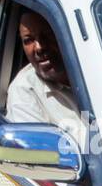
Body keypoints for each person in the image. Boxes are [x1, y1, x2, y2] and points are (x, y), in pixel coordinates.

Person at [5, 10, 86, 149]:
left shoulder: (96, 70)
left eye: (48, 35)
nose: (39, 47)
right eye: (28, 40)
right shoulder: (24, 91)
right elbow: (45, 156)